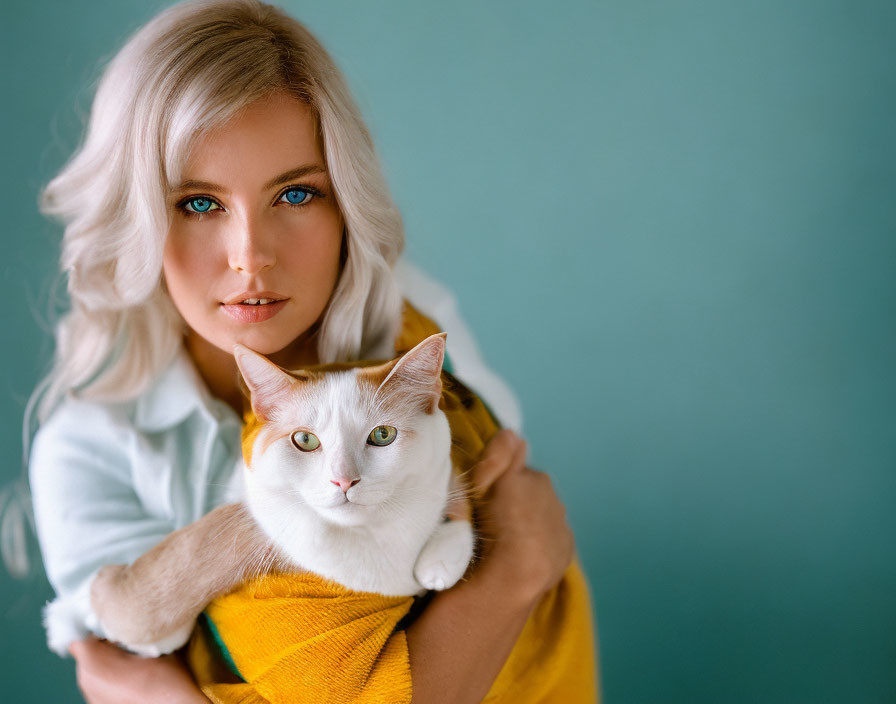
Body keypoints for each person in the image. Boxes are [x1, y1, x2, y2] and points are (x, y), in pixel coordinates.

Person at [23, 1, 581, 701]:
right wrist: (515, 575)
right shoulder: (91, 449)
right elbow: (120, 674)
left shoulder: (415, 329)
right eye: (198, 203)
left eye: (294, 194)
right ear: (134, 217)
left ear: (344, 200)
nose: (250, 257)